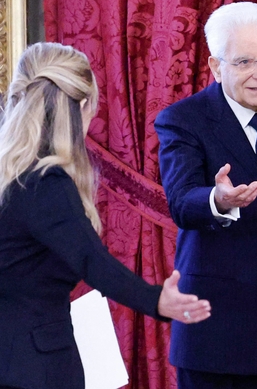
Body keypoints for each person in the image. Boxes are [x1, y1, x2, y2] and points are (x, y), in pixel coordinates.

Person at [0, 42, 211, 389]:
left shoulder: (12, 175)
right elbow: (91, 261)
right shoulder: (45, 182)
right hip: (35, 368)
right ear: (82, 107)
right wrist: (157, 300)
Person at [155, 2, 257, 389]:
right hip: (221, 338)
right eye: (245, 62)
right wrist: (218, 200)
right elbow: (182, 202)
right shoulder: (183, 119)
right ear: (216, 67)